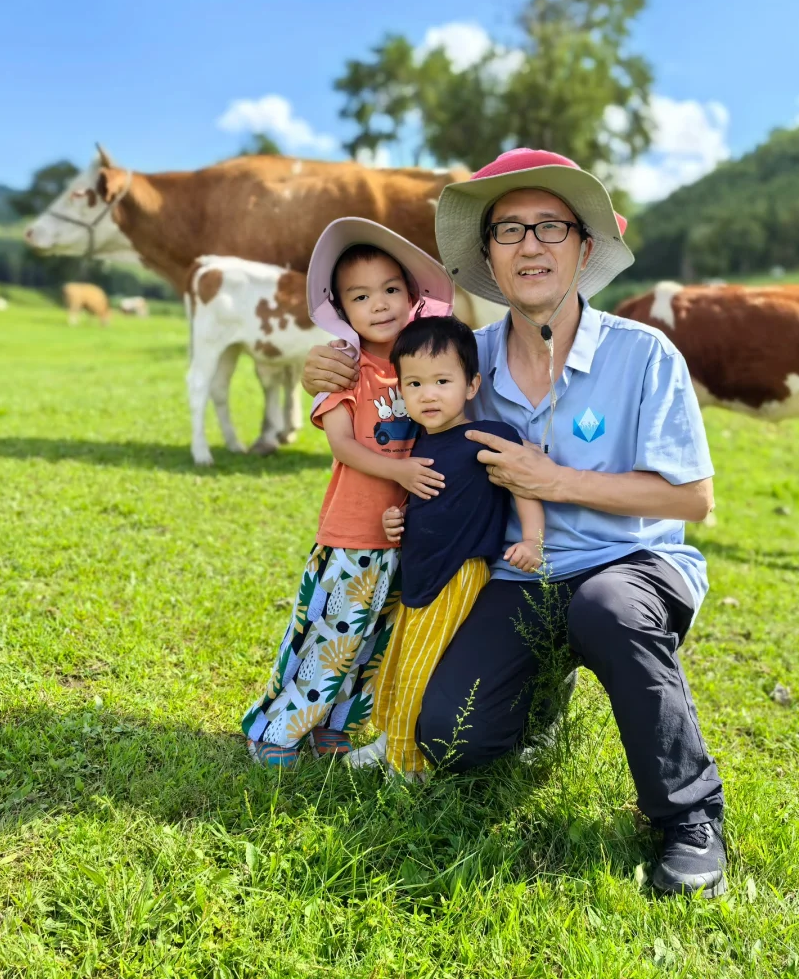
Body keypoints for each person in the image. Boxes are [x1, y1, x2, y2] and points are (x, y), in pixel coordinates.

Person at [301, 149, 727, 897]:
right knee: (452, 740)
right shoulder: (467, 359)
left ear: (584, 248)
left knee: (607, 611)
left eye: (551, 227)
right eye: (508, 231)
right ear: (489, 260)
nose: (530, 245)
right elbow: (384, 387)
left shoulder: (644, 354)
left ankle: (689, 818)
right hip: (514, 573)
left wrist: (554, 479)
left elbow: (693, 500)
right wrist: (326, 373)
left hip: (628, 567)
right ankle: (538, 702)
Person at [239, 217, 453, 767]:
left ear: (411, 296)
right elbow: (343, 447)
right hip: (354, 534)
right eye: (361, 296)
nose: (379, 305)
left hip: (405, 535)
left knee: (375, 645)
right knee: (331, 640)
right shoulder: (346, 368)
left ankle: (334, 727)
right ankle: (276, 730)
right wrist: (401, 474)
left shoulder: (423, 365)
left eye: (390, 290)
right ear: (342, 307)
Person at [345, 315, 545, 778]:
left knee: (422, 667)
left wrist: (532, 539)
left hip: (458, 574)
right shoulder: (419, 446)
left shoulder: (485, 438)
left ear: (472, 385)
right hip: (418, 571)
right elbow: (428, 505)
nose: (427, 394)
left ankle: (410, 766)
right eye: (414, 383)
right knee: (396, 662)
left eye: (442, 381)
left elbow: (524, 486)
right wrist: (399, 520)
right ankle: (389, 739)